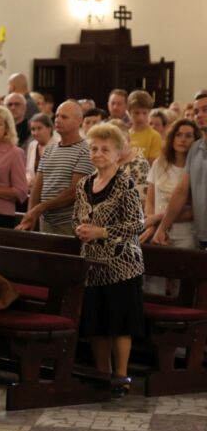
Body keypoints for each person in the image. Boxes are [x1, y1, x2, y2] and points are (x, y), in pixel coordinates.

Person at [74, 123, 144, 381]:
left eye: (105, 149)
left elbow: (137, 223)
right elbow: (77, 216)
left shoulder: (125, 183)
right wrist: (80, 229)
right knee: (96, 324)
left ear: (117, 153)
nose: (98, 153)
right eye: (94, 148)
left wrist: (101, 232)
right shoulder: (84, 184)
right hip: (92, 264)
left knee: (119, 323)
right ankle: (103, 373)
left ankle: (122, 377)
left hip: (122, 265)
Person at [18, 101, 94, 235]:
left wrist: (41, 208)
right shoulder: (50, 149)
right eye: (57, 116)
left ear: (79, 121)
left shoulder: (85, 150)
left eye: (64, 117)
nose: (58, 120)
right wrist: (31, 214)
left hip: (69, 222)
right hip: (46, 220)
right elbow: (37, 186)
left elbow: (74, 191)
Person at [153, 93, 207, 249]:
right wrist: (162, 228)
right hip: (202, 233)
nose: (200, 115)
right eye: (197, 111)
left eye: (205, 109)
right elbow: (181, 191)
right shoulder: (196, 148)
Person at [142, 119, 201, 250]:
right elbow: (150, 200)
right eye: (178, 135)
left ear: (196, 141)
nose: (183, 139)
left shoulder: (198, 168)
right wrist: (151, 226)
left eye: (188, 136)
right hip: (156, 230)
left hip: (185, 234)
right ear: (172, 137)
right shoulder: (159, 163)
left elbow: (194, 210)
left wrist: (157, 218)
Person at [127, 90, 163, 164]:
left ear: (149, 112)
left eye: (144, 113)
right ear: (129, 111)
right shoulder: (125, 134)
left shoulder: (154, 136)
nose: (140, 117)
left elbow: (152, 164)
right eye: (136, 113)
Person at [25, 113, 60, 188]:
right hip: (32, 190)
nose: (35, 132)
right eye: (33, 129)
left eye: (39, 128)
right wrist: (28, 180)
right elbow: (28, 170)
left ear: (50, 128)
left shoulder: (58, 145)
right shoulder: (32, 145)